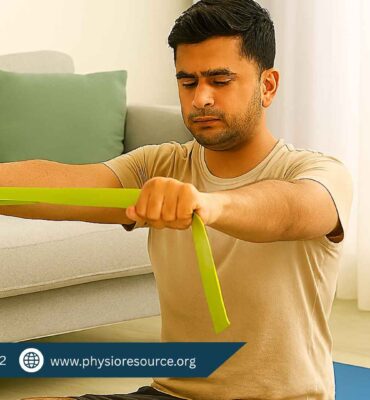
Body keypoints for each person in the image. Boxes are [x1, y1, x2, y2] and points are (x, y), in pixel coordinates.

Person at [8, 0, 352, 399]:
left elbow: (291, 211)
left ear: (268, 85)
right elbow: (61, 184)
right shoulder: (158, 165)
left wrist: (209, 204)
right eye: (188, 82)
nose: (200, 97)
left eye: (220, 80)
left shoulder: (320, 173)